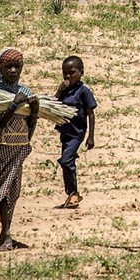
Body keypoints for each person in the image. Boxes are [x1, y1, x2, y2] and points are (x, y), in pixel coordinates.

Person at [0, 47, 42, 250]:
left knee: (13, 191)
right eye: (8, 67)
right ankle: (5, 234)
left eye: (17, 66)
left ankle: (6, 234)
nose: (13, 70)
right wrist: (13, 106)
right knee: (2, 189)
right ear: (0, 69)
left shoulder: (25, 92)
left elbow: (31, 123)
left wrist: (35, 109)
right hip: (1, 146)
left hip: (19, 147)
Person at [54, 55, 97, 210]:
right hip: (65, 132)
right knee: (68, 164)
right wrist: (60, 89)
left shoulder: (83, 92)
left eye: (71, 72)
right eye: (64, 73)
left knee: (66, 161)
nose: (67, 76)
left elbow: (90, 114)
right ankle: (72, 194)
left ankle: (73, 193)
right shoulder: (65, 91)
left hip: (77, 133)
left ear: (81, 72)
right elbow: (54, 103)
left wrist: (90, 136)